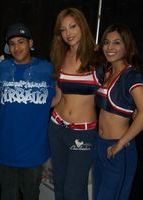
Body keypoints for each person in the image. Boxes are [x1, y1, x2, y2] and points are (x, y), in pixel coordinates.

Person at [0, 22, 55, 199]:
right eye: (12, 43)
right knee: (7, 195)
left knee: (30, 195)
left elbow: (58, 98)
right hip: (5, 150)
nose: (16, 47)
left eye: (21, 42)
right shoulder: (2, 68)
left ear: (30, 43)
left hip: (33, 152)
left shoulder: (47, 69)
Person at [48, 8, 101, 200]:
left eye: (73, 26)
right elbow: (56, 97)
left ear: (82, 26)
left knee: (74, 190)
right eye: (63, 30)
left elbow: (118, 88)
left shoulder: (99, 57)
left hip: (83, 132)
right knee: (60, 187)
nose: (68, 33)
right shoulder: (60, 56)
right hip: (57, 127)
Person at [93, 23, 143, 200]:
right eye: (106, 42)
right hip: (100, 146)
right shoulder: (107, 72)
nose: (110, 47)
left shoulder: (131, 76)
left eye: (117, 43)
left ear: (126, 45)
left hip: (118, 149)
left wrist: (120, 143)